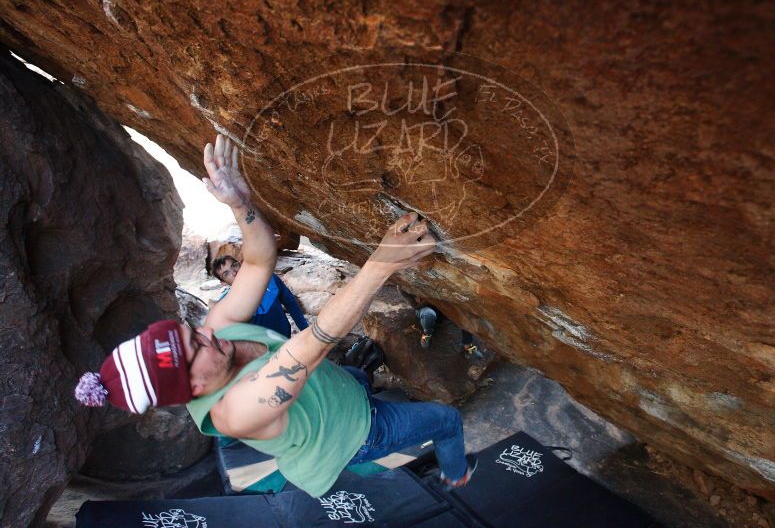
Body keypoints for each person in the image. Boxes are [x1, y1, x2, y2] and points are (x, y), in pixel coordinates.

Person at [74, 135, 477, 497]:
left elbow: (257, 262)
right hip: (354, 433)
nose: (207, 335)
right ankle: (455, 477)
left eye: (191, 332)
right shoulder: (233, 412)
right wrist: (381, 264)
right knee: (445, 419)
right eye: (197, 347)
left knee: (356, 376)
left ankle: (375, 440)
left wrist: (239, 204)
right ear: (192, 385)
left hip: (330, 392)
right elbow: (310, 347)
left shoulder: (214, 333)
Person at [211, 254, 308, 339]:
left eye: (234, 265)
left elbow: (290, 303)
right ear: (223, 283)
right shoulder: (226, 304)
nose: (234, 272)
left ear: (241, 264)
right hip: (261, 352)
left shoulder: (268, 279)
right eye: (226, 274)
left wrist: (305, 330)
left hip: (284, 337)